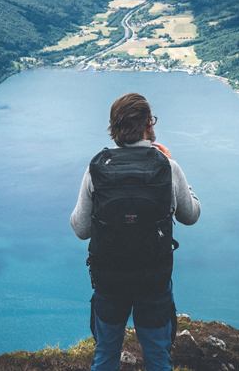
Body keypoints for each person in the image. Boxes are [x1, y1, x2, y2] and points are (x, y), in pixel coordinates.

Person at [70, 92, 201, 371]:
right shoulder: (166, 165)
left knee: (106, 354)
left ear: (114, 129)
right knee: (157, 357)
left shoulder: (96, 169)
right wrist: (176, 172)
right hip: (154, 279)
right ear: (148, 126)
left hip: (109, 280)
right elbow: (190, 216)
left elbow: (81, 229)